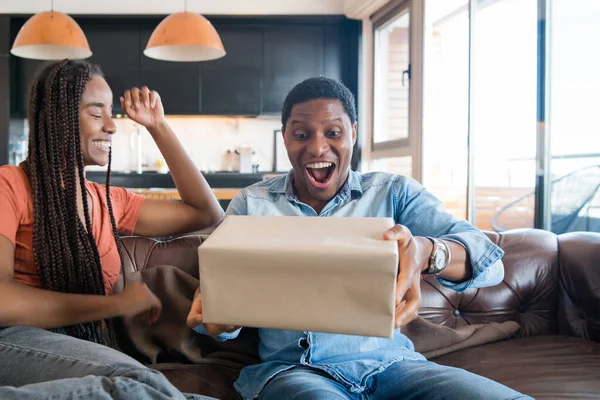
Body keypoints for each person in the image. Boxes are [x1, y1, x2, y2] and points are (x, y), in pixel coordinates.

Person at [187, 77, 533, 400]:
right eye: (302, 135)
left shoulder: (395, 194)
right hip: (294, 372)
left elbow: (491, 266)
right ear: (285, 139)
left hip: (395, 367)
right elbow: (220, 312)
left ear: (353, 132)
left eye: (333, 133)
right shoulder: (251, 203)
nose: (317, 148)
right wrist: (220, 323)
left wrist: (428, 251)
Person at [0, 60, 222, 399]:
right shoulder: (9, 186)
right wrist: (112, 305)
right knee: (136, 382)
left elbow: (206, 213)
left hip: (77, 346)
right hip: (11, 341)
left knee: (145, 388)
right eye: (95, 113)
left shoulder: (108, 200)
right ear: (59, 120)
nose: (112, 126)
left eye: (110, 113)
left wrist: (158, 125)